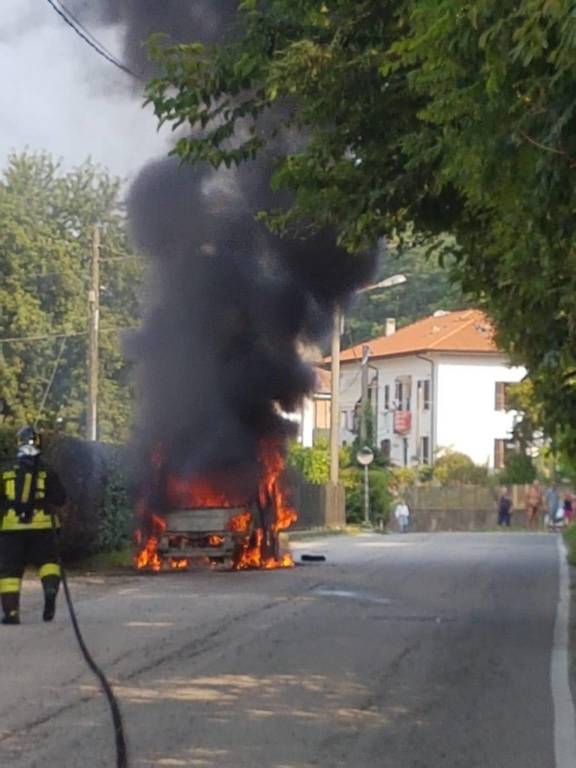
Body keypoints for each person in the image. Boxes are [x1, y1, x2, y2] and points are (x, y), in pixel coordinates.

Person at [0, 426, 66, 625]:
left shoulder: (5, 472)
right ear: (38, 443)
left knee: (9, 572)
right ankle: (50, 591)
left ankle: (11, 614)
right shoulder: (47, 470)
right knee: (49, 563)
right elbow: (61, 498)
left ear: (18, 442)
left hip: (11, 529)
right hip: (43, 527)